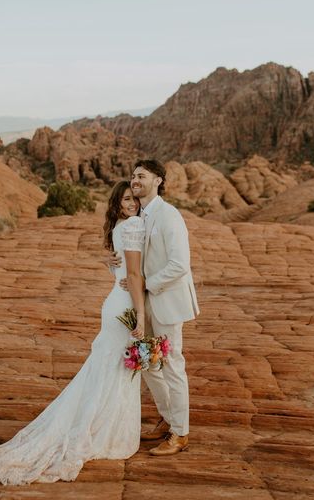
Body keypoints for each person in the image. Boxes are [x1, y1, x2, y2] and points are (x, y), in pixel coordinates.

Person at [0, 181, 146, 485]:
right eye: (126, 199)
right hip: (124, 305)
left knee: (108, 368)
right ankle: (104, 431)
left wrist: (115, 269)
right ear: (117, 203)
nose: (132, 203)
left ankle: (98, 424)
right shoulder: (133, 225)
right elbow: (133, 273)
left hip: (115, 300)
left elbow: (120, 269)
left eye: (134, 199)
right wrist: (141, 314)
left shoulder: (119, 226)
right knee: (114, 368)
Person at [109, 159, 199, 456]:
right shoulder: (140, 215)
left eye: (142, 176)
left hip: (167, 302)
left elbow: (179, 265)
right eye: (133, 175)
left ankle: (180, 433)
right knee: (146, 364)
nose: (135, 180)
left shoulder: (169, 216)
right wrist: (117, 265)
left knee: (172, 364)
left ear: (159, 180)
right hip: (145, 302)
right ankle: (168, 419)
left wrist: (146, 282)